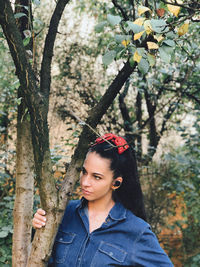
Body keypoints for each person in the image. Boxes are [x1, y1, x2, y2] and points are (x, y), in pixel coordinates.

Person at [33, 133, 174, 266]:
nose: (85, 182)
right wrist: (37, 229)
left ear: (116, 183)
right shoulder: (64, 213)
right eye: (84, 172)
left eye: (97, 177)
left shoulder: (136, 231)